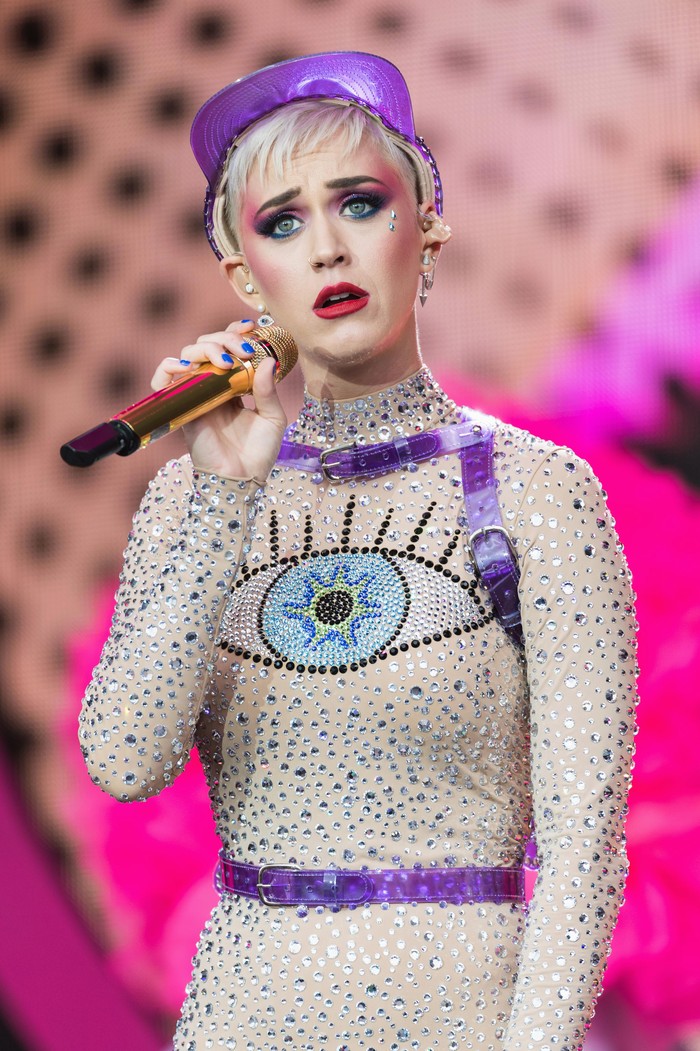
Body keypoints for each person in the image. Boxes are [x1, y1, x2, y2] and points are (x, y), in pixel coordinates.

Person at [78, 52, 639, 1049]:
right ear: (246, 278)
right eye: (283, 223)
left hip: (464, 1015)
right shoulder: (194, 498)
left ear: (425, 230)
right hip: (241, 1014)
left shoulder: (540, 494)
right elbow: (123, 763)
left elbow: (585, 849)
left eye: (360, 204)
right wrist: (223, 493)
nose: (328, 247)